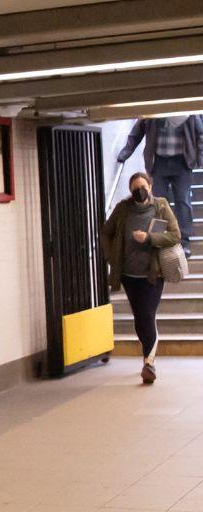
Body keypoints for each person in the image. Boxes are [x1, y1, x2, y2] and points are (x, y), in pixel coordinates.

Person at [103, 171, 181, 384]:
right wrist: (112, 257)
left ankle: (149, 362)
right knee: (140, 318)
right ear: (130, 191)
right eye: (135, 188)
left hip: (152, 273)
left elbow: (175, 234)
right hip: (129, 275)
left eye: (142, 187)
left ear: (150, 187)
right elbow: (106, 232)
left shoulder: (161, 206)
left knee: (147, 315)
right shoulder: (123, 209)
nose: (139, 191)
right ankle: (147, 355)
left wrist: (149, 237)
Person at [117, 115, 203, 257]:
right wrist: (126, 152)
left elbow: (201, 134)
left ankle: (184, 241)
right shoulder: (153, 112)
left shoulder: (189, 112)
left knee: (183, 201)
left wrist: (200, 158)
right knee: (158, 204)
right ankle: (158, 240)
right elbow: (137, 132)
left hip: (182, 162)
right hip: (159, 162)